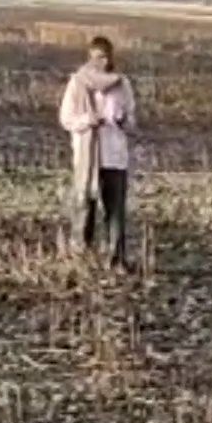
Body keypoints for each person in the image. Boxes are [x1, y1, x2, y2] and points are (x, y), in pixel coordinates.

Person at [58, 36, 137, 270]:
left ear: (111, 57)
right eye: (96, 57)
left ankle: (117, 260)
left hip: (114, 156)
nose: (100, 62)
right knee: (84, 208)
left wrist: (124, 120)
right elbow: (66, 118)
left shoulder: (122, 84)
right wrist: (88, 120)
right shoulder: (78, 83)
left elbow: (132, 118)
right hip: (87, 157)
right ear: (89, 58)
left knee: (115, 213)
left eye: (104, 57)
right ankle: (81, 258)